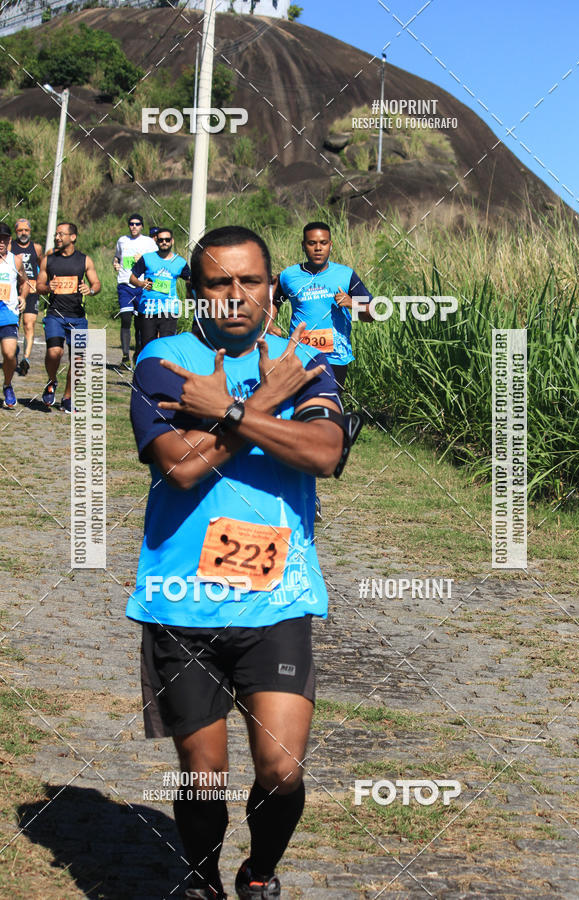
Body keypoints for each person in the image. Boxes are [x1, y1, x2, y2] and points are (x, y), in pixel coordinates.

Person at [128, 225, 346, 900]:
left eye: (250, 281)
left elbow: (324, 453)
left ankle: (258, 876)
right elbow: (182, 467)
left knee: (281, 769)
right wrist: (263, 407)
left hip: (276, 597)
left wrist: (226, 409)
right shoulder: (163, 361)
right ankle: (201, 881)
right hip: (181, 599)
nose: (235, 296)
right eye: (219, 283)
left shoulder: (303, 360)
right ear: (197, 292)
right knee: (203, 774)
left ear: (272, 292)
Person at [275, 221, 374, 389]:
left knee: (331, 403)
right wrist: (269, 323)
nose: (318, 248)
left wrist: (353, 304)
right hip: (300, 355)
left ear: (330, 245)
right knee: (299, 405)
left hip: (335, 356)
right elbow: (272, 300)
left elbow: (371, 315)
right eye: (312, 243)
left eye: (323, 243)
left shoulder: (346, 274)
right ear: (303, 246)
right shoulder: (288, 276)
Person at [36, 223, 101, 412]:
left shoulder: (84, 260)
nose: (57, 237)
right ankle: (52, 380)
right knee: (55, 352)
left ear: (72, 237)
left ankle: (67, 397)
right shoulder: (48, 260)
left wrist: (91, 290)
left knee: (78, 360)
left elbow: (96, 283)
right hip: (55, 315)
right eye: (56, 234)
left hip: (78, 317)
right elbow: (38, 285)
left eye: (61, 234)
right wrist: (49, 287)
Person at [130, 227, 191, 350]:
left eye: (167, 240)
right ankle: (147, 367)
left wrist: (190, 296)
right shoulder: (147, 258)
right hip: (148, 307)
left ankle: (163, 368)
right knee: (148, 345)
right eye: (161, 240)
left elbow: (189, 280)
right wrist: (141, 283)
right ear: (156, 241)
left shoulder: (180, 262)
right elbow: (132, 278)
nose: (164, 242)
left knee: (166, 344)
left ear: (172, 241)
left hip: (169, 307)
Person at [113, 213, 156, 371]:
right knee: (125, 318)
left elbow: (156, 261)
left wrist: (143, 259)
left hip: (141, 285)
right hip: (125, 284)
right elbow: (117, 257)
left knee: (140, 323)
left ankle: (137, 355)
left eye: (137, 224)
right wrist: (115, 264)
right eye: (131, 224)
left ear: (142, 226)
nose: (134, 226)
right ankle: (125, 357)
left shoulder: (149, 242)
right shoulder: (122, 240)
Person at [0, 223, 30, 408]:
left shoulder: (15, 260)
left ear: (9, 240)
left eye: (3, 239)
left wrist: (23, 296)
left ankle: (7, 384)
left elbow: (25, 281)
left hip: (8, 312)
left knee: (9, 354)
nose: (0, 242)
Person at [10, 218, 42, 376]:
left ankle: (26, 359)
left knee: (29, 324)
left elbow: (43, 268)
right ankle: (13, 352)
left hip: (32, 291)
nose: (23, 233)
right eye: (20, 230)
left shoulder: (37, 248)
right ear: (16, 232)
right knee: (12, 325)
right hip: (13, 291)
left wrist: (43, 283)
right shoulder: (10, 246)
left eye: (26, 230)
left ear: (30, 231)